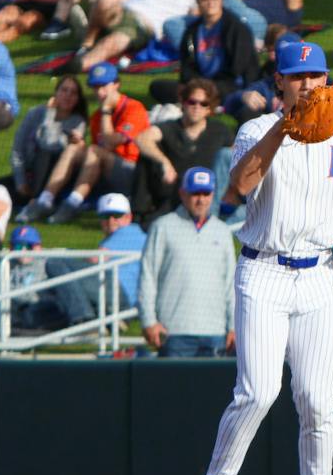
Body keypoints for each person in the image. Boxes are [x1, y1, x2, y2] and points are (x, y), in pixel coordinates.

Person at [194, 40, 333, 475]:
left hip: (319, 276)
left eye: (317, 76)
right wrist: (284, 127)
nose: (309, 85)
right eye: (298, 77)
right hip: (264, 271)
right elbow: (239, 184)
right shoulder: (256, 130)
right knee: (258, 392)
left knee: (318, 402)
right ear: (278, 82)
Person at [24, 63, 149, 223]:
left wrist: (105, 111)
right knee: (74, 147)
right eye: (95, 87)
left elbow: (111, 144)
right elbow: (100, 152)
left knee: (94, 150)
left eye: (104, 86)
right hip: (108, 173)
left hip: (134, 174)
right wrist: (79, 146)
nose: (100, 92)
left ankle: (72, 203)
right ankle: (45, 200)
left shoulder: (133, 108)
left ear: (117, 84)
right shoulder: (96, 117)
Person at [137, 166, 235, 358]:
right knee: (173, 389)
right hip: (173, 330)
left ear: (213, 194)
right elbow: (148, 276)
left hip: (215, 331)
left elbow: (231, 284)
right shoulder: (162, 227)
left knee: (214, 389)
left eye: (206, 193)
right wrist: (148, 320)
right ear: (182, 194)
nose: (201, 200)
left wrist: (233, 325)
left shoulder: (223, 231)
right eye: (195, 193)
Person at [133, 76, 234, 223]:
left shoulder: (219, 130)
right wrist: (164, 162)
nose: (196, 107)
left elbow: (236, 156)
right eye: (192, 102)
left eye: (203, 104)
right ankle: (138, 215)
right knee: (146, 156)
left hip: (209, 196)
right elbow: (142, 139)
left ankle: (210, 220)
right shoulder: (171, 127)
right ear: (183, 103)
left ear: (209, 109)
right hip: (175, 194)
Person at [43, 191, 147, 330]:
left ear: (129, 217)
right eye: (105, 216)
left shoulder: (129, 232)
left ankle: (85, 319)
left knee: (55, 263)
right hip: (120, 297)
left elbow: (96, 259)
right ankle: (102, 317)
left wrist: (66, 254)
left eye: (117, 216)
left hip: (120, 296)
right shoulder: (135, 235)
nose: (111, 221)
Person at [11, 74, 87, 212]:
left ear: (78, 99)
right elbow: (17, 149)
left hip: (52, 178)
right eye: (64, 90)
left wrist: (50, 113)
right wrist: (20, 181)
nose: (68, 96)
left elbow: (47, 144)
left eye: (73, 93)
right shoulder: (34, 113)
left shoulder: (78, 122)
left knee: (45, 153)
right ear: (56, 93)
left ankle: (40, 200)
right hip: (28, 172)